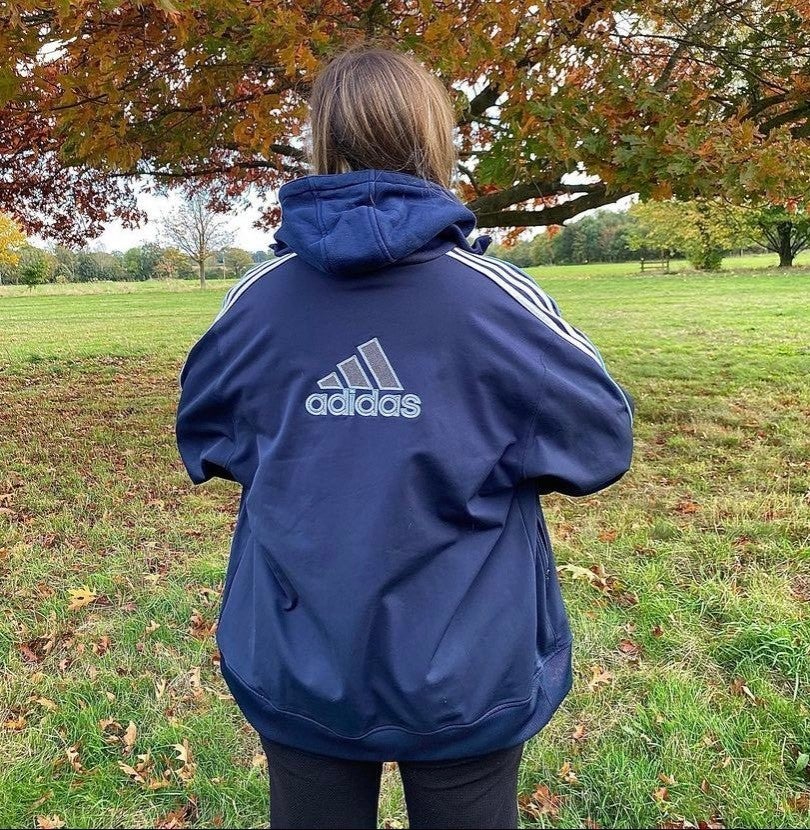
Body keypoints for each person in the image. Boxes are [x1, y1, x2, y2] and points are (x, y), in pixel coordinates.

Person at [176, 47, 633, 830]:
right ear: (435, 136)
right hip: (465, 663)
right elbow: (596, 442)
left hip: (302, 659)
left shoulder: (256, 303)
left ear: (323, 140)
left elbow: (211, 438)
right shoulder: (497, 301)